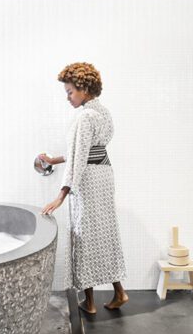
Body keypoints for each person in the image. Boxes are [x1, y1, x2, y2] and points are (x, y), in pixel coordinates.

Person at [40, 62, 128, 313]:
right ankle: (119, 292)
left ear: (84, 89)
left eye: (70, 92)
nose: (68, 97)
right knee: (105, 234)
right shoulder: (103, 113)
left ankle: (89, 303)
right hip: (104, 174)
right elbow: (87, 151)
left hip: (87, 180)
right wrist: (54, 160)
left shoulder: (84, 118)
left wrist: (61, 194)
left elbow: (79, 159)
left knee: (83, 235)